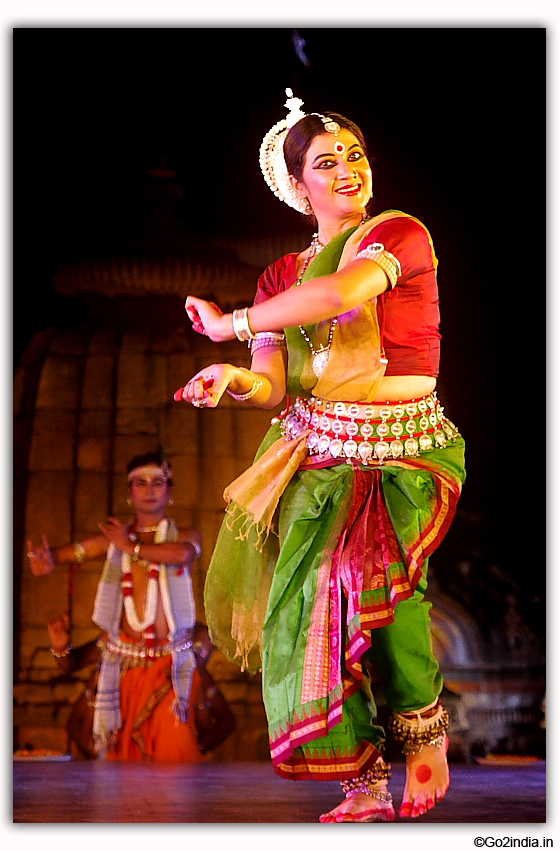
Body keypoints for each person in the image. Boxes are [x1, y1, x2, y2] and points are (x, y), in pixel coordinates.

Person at [174, 90, 466, 822]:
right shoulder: (278, 277)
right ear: (296, 185)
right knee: (307, 614)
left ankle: (425, 729)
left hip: (403, 447)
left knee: (377, 585)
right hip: (319, 453)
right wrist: (231, 377)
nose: (347, 171)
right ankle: (362, 777)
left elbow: (344, 292)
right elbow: (271, 383)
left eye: (356, 156)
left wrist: (231, 324)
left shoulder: (397, 234)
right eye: (326, 162)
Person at [27, 451, 206, 762]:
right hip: (123, 671)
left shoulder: (185, 537)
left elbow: (182, 555)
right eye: (140, 483)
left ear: (170, 492)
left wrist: (130, 547)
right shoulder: (113, 541)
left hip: (170, 670)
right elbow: (71, 553)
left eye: (158, 482)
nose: (149, 490)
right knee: (123, 772)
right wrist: (49, 559)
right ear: (129, 493)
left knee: (176, 765)